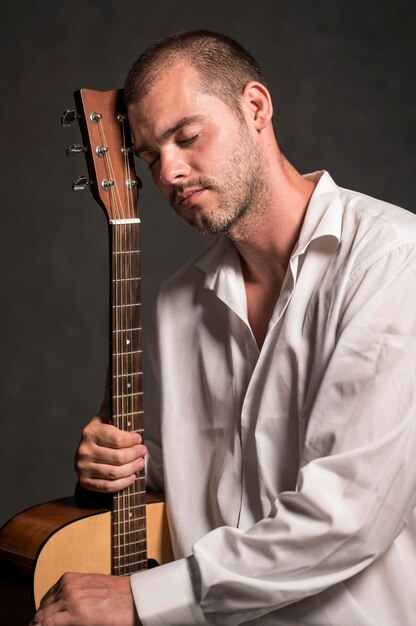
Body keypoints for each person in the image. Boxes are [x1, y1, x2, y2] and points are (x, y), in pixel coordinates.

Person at [31, 30, 416, 626]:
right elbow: (216, 477)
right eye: (151, 157)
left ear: (255, 107)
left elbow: (348, 514)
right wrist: (125, 466)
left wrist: (140, 599)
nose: (171, 173)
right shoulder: (178, 301)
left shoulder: (393, 262)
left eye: (187, 137)